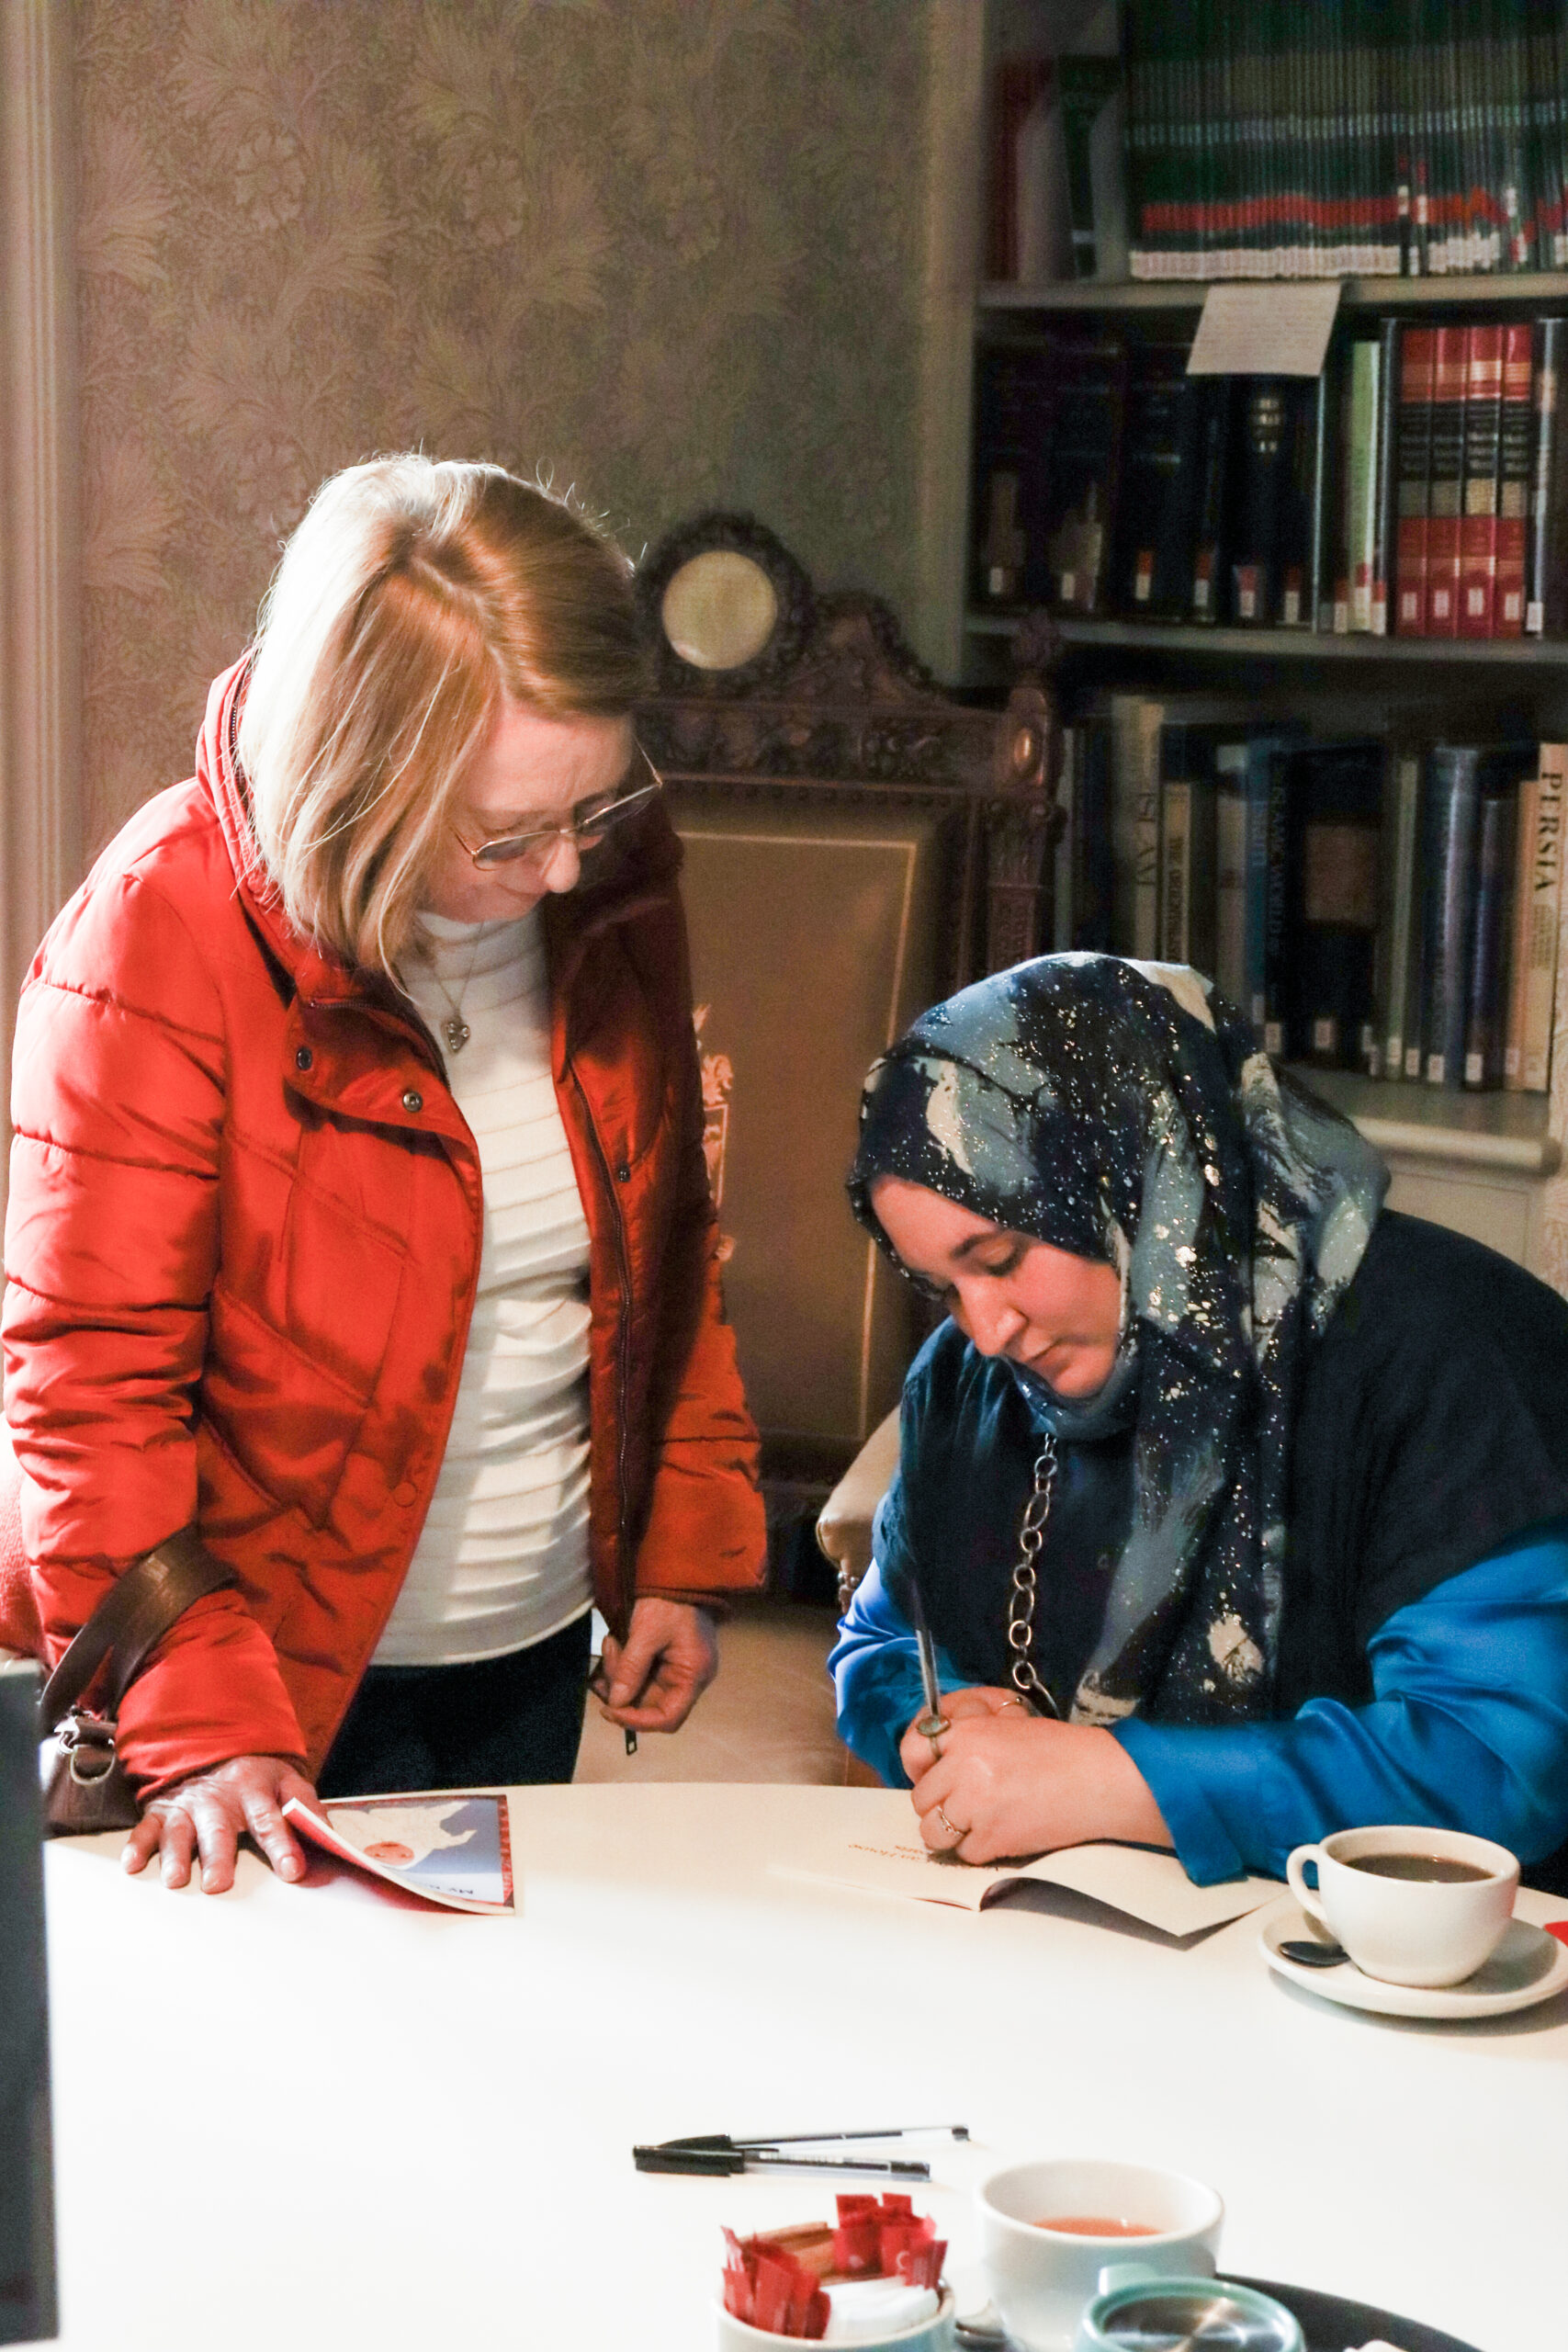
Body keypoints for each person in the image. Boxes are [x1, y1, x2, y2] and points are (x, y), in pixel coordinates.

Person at [4, 456, 765, 1894]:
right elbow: (91, 1385)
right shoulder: (155, 929)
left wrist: (679, 1548)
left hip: (526, 1646)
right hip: (248, 1680)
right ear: (360, 776)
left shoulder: (607, 882)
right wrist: (201, 1719)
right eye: (507, 835)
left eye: (592, 805)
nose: (562, 870)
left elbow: (663, 1239)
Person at [829, 954, 1568, 1893]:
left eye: (1003, 1257)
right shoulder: (967, 1381)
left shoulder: (1450, 1348)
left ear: (1145, 1170)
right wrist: (928, 1722)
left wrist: (1117, 1783)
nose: (985, 1329)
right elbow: (880, 1644)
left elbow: (1494, 1764)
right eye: (941, 1286)